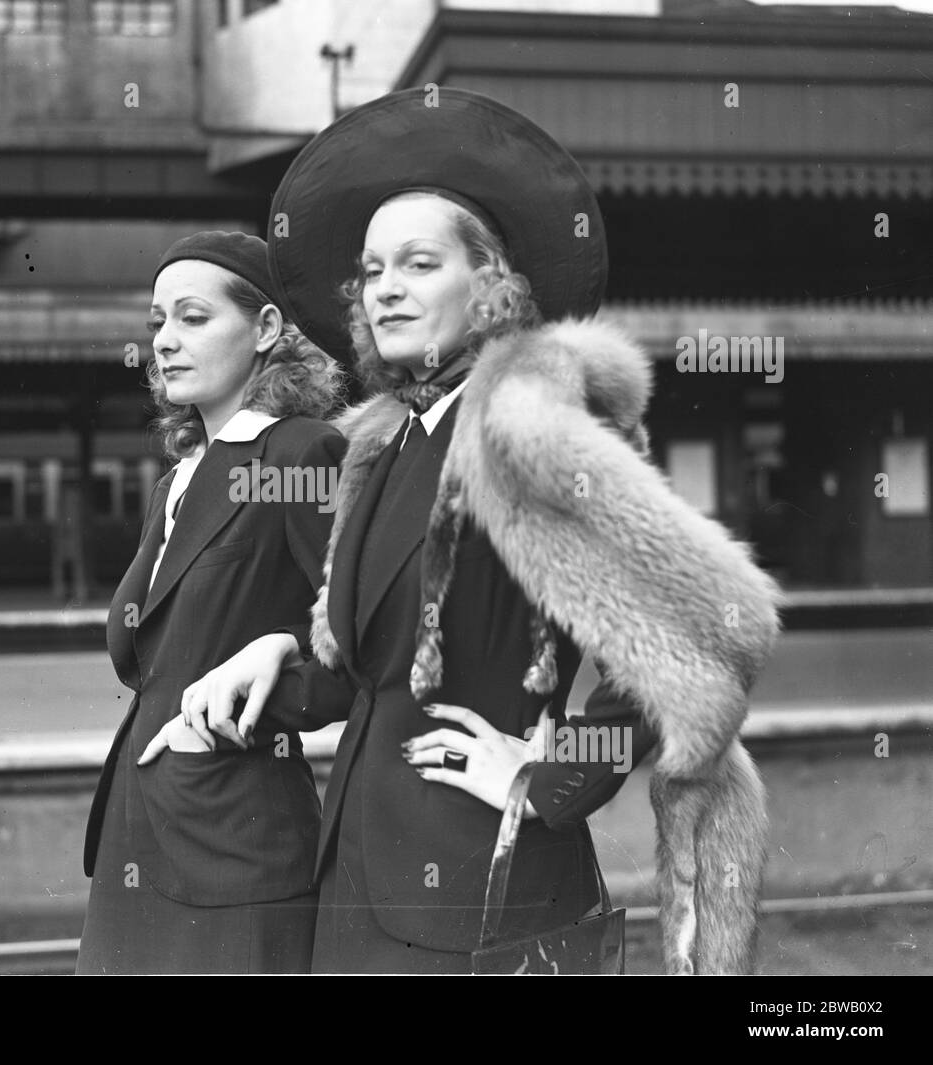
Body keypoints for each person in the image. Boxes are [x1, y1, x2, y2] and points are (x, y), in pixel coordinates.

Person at [177, 90, 780, 974]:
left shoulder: (528, 424)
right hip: (355, 880)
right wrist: (272, 654)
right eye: (372, 269)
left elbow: (702, 633)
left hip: (486, 892)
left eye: (418, 264)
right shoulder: (378, 448)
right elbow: (360, 686)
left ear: (492, 284)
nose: (385, 286)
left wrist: (552, 778)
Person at [76, 231, 345, 974]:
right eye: (157, 321)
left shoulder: (301, 454)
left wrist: (254, 686)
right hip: (137, 839)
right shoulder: (178, 482)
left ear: (264, 330)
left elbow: (360, 650)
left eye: (193, 317)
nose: (164, 341)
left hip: (235, 844)